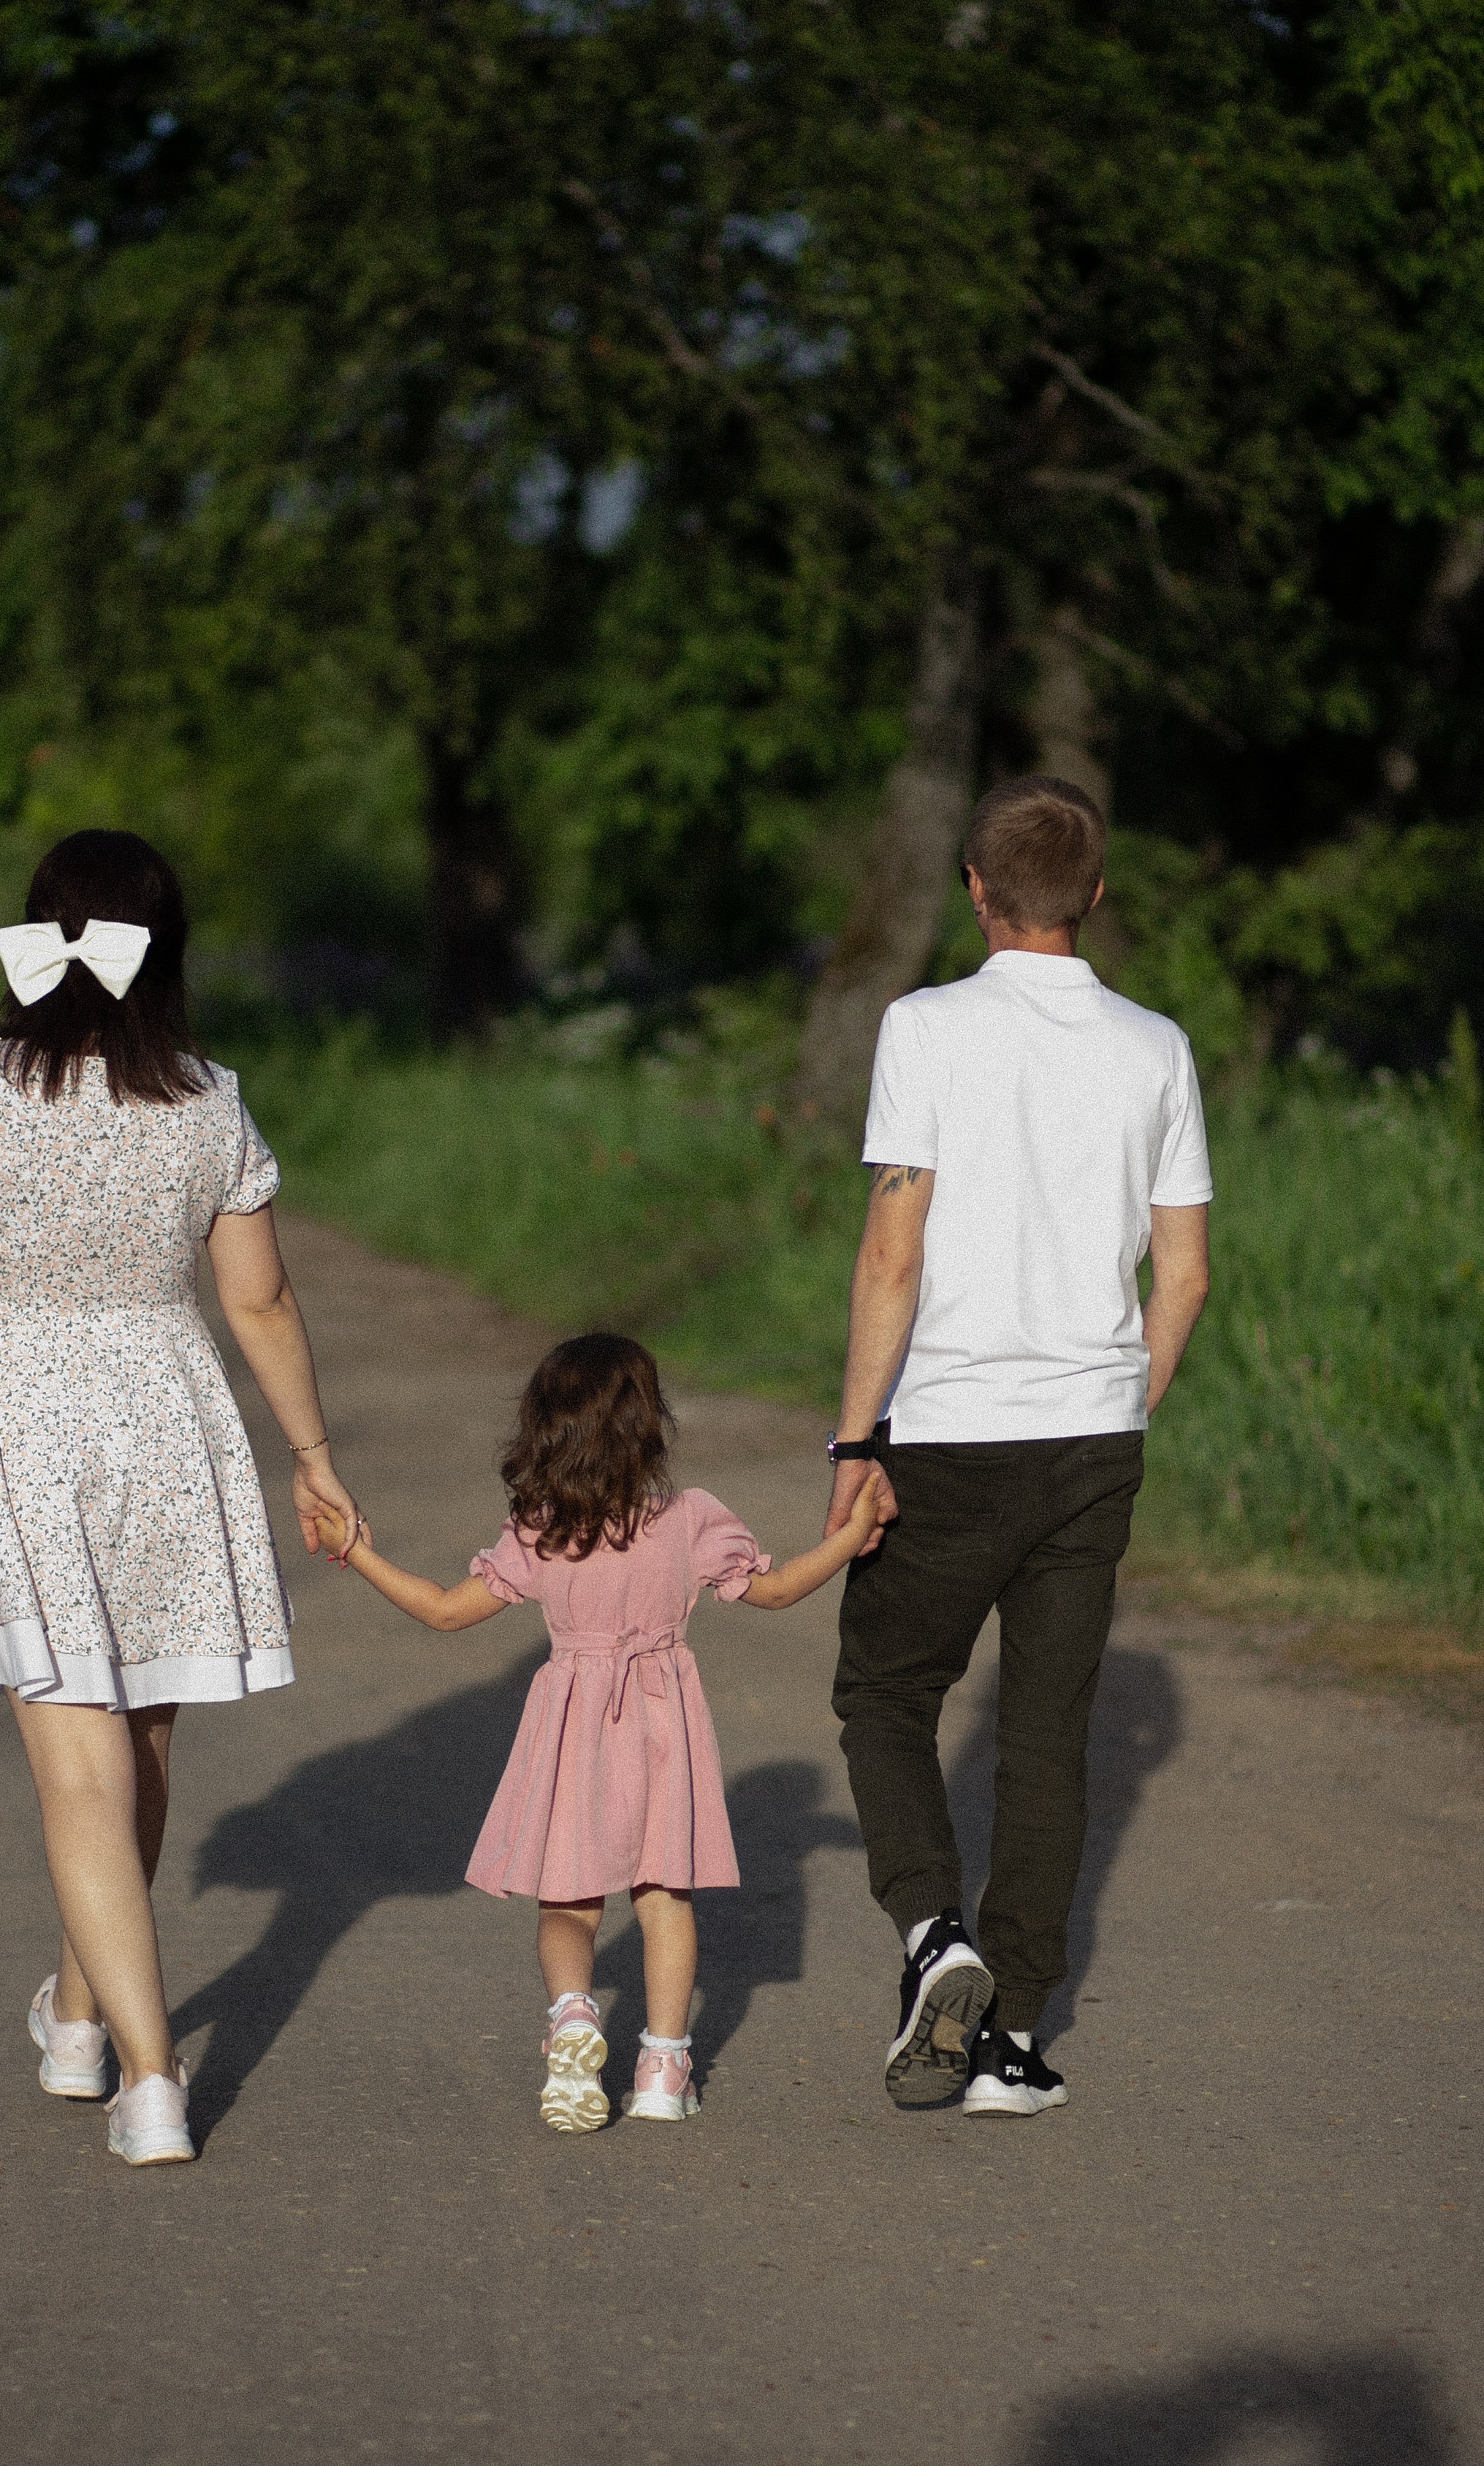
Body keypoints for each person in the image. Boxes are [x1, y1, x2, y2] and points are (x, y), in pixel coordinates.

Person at [0, 830, 359, 2168]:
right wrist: (312, 1452)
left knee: (82, 1764)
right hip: (167, 1422)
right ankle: (80, 2019)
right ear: (168, 951)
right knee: (138, 1752)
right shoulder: (209, 1097)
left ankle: (150, 2075)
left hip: (22, 1420)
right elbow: (256, 1295)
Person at [822, 775, 1211, 2118]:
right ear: (1095, 894)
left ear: (978, 893)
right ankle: (1015, 2039)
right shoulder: (1156, 1046)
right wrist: (1126, 1399)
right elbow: (1186, 1272)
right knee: (1047, 1735)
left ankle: (938, 1935)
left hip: (947, 1433)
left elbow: (893, 1243)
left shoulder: (923, 1026)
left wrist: (855, 1437)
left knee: (885, 1693)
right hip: (1093, 1434)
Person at [313, 1332, 886, 2131]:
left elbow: (444, 1612)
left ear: (544, 1429)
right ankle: (661, 2064)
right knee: (663, 1899)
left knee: (568, 1906)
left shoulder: (540, 1530)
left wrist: (357, 1553)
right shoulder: (690, 1521)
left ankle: (575, 2017)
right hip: (662, 1727)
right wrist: (849, 1535)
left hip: (572, 1731)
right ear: (650, 1425)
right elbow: (780, 1591)